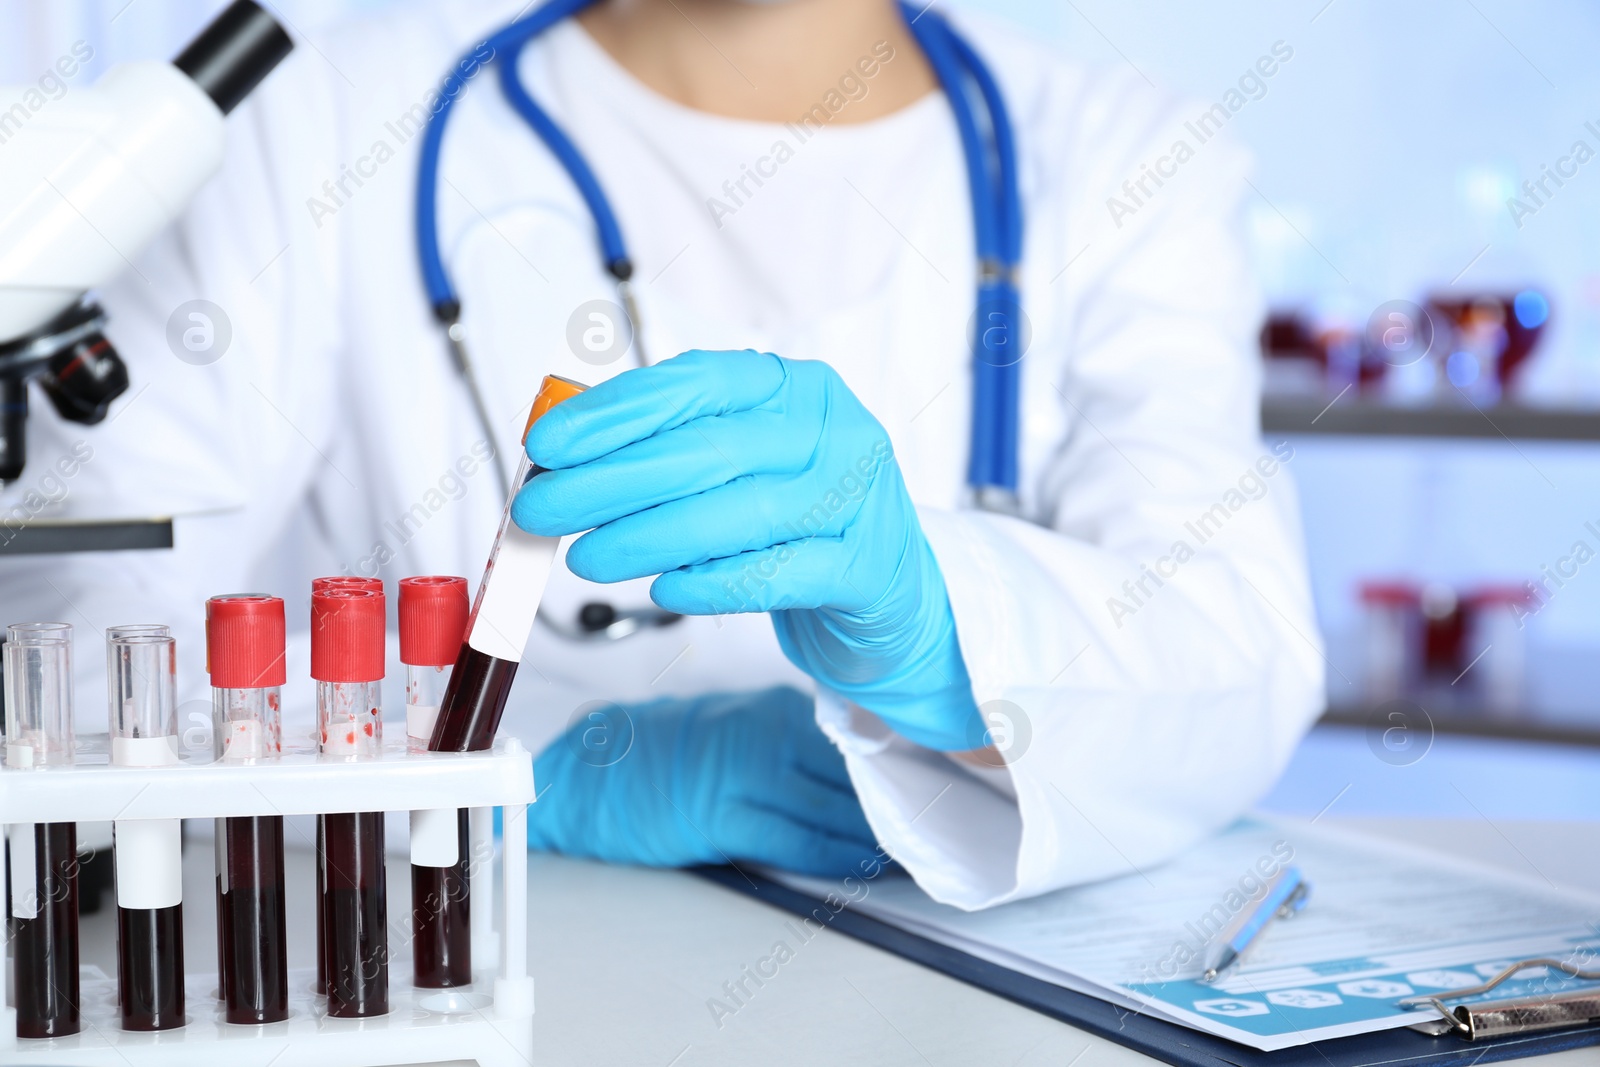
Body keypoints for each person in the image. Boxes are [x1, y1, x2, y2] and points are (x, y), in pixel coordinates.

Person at [0, 0, 1321, 909]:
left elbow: (1236, 651)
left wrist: (948, 642)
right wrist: (517, 771)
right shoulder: (333, 118)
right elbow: (67, 656)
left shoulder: (1122, 158)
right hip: (460, 968)